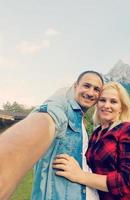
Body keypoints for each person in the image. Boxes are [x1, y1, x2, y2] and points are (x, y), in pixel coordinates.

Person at [0, 70, 103, 200]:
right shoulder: (62, 107)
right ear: (75, 86)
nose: (90, 93)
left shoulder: (81, 122)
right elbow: (48, 118)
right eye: (86, 86)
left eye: (96, 89)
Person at [53, 82, 130, 200]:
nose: (106, 105)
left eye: (113, 101)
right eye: (102, 100)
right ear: (97, 104)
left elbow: (125, 182)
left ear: (121, 107)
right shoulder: (96, 133)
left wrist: (80, 176)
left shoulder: (128, 130)